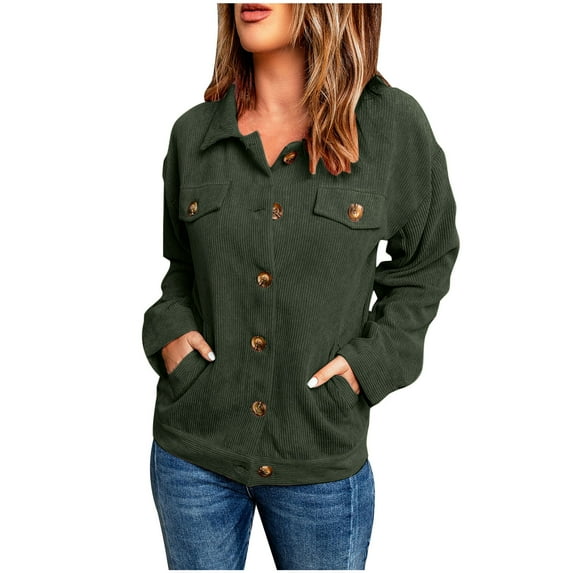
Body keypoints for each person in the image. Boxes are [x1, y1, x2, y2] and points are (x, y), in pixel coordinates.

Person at [142, 3, 459, 570]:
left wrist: (372, 364)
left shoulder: (390, 126)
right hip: (192, 455)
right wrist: (170, 335)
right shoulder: (193, 133)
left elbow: (426, 261)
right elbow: (182, 270)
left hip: (320, 459)